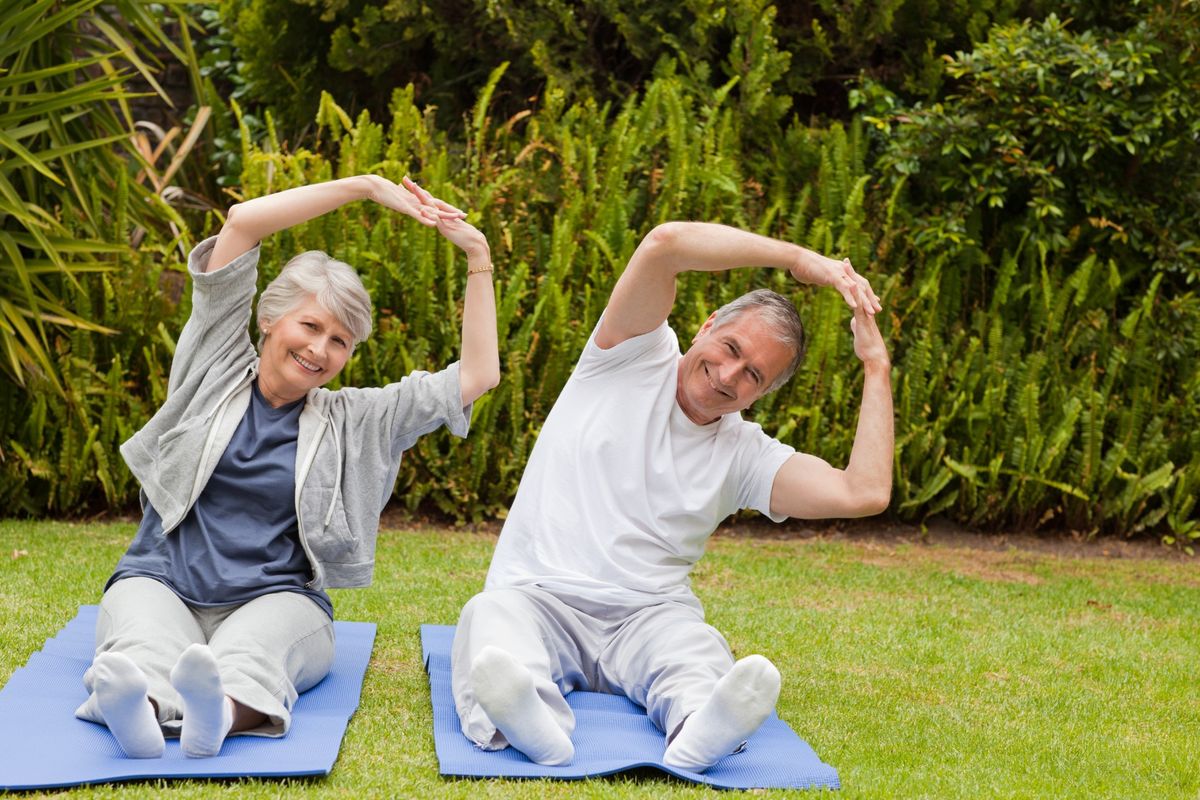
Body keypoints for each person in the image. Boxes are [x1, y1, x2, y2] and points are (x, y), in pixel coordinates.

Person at [76, 175, 499, 759]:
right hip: (162, 580)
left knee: (252, 656)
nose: (320, 350)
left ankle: (218, 714)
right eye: (311, 325)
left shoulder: (357, 420)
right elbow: (242, 222)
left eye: (340, 341)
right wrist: (365, 187)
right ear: (270, 319)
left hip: (276, 598)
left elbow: (477, 375)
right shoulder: (213, 367)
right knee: (142, 643)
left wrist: (478, 255)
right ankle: (139, 712)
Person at [451, 221, 892, 771]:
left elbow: (864, 491)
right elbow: (665, 245)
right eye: (730, 347)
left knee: (697, 650)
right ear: (707, 325)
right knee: (490, 617)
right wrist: (799, 260)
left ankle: (701, 726)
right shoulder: (629, 352)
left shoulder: (746, 455)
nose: (728, 374)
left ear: (760, 395)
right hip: (539, 596)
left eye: (753, 375)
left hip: (649, 618)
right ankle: (535, 724)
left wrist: (876, 365)